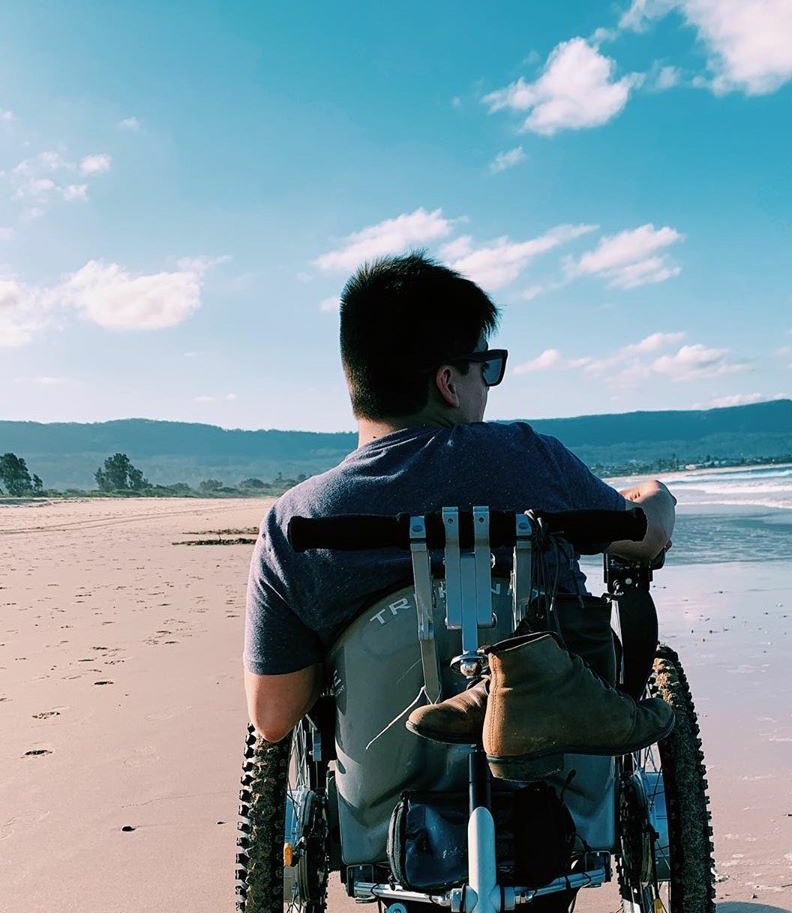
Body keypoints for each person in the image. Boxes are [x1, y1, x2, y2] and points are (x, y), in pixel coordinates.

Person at [243, 252, 677, 777]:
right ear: (448, 381)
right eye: (487, 367)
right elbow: (646, 537)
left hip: (382, 786)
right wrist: (653, 494)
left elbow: (271, 718)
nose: (489, 386)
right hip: (565, 773)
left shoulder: (300, 518)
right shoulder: (528, 457)